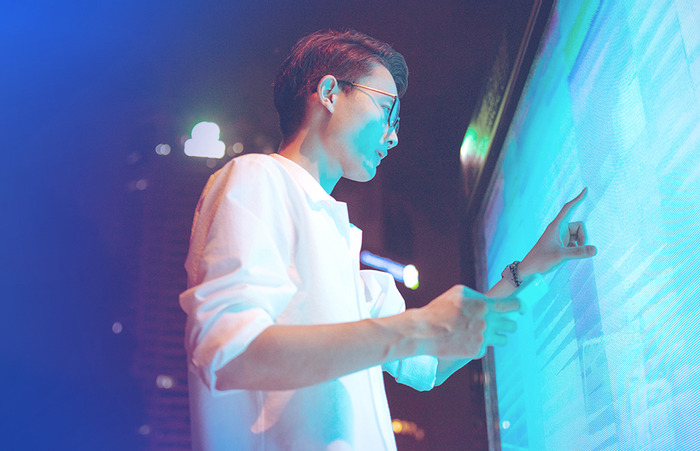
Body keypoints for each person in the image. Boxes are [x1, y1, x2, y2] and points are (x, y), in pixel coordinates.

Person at [180, 29, 597, 451]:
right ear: (329, 92)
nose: (393, 135)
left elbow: (431, 362)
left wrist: (529, 269)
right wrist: (415, 326)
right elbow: (229, 350)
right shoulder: (257, 177)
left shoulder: (345, 258)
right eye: (387, 109)